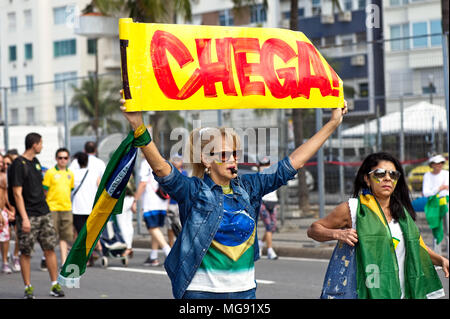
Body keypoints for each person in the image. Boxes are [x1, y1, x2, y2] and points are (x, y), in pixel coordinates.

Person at [120, 91, 347, 299]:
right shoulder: (193, 191)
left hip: (244, 292)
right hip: (201, 292)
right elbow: (161, 169)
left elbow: (293, 163)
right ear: (207, 160)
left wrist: (333, 123)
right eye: (225, 154)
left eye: (235, 153)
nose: (233, 159)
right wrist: (139, 127)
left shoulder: (249, 187)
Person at [307, 152, 449, 299]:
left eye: (393, 175)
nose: (387, 178)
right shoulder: (353, 209)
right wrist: (338, 234)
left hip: (400, 293)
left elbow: (416, 246)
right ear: (367, 179)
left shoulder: (402, 213)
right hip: (364, 292)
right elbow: (313, 229)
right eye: (380, 173)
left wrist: (440, 260)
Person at [8, 133, 65, 298]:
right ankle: (28, 288)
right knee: (26, 252)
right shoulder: (19, 164)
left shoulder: (36, 162)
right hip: (29, 215)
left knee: (49, 248)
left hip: (44, 212)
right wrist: (24, 218)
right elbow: (17, 193)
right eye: (41, 143)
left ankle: (55, 285)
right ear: (34, 144)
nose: (42, 146)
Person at [133, 156, 171, 266]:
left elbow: (143, 183)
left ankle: (168, 252)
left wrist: (135, 200)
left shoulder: (146, 163)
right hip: (163, 200)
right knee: (156, 228)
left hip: (151, 201)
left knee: (152, 228)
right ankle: (153, 256)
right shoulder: (163, 161)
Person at [42, 148, 74, 266]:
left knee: (64, 237)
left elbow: (70, 190)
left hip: (66, 208)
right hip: (52, 208)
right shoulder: (50, 173)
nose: (62, 160)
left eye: (65, 158)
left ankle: (64, 261)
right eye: (60, 158)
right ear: (56, 159)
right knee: (51, 236)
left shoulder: (70, 174)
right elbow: (45, 191)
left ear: (68, 159)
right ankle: (46, 258)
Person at [70, 152, 102, 265]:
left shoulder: (73, 174)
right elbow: (100, 188)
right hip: (91, 208)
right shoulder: (94, 174)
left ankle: (85, 258)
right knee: (92, 232)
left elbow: (70, 189)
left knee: (80, 234)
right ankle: (97, 251)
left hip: (77, 209)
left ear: (77, 162)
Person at [422, 154, 449, 254]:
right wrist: (439, 189)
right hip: (433, 205)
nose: (439, 165)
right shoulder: (427, 175)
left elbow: (446, 190)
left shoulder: (446, 174)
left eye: (441, 163)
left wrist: (436, 191)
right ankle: (438, 257)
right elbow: (426, 193)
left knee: (448, 230)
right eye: (437, 163)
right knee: (436, 229)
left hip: (445, 202)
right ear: (432, 164)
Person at [257, 156, 279, 260]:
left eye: (267, 165)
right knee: (269, 227)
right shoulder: (258, 177)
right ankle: (270, 250)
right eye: (262, 165)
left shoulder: (273, 175)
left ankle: (260, 243)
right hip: (263, 203)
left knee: (273, 227)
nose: (265, 167)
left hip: (273, 202)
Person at [3, 153, 20, 272]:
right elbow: (3, 196)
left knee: (19, 233)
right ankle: (5, 258)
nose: (7, 166)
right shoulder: (2, 176)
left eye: (9, 164)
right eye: (5, 164)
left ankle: (15, 256)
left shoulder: (17, 176)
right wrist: (8, 209)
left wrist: (14, 209)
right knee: (6, 234)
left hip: (16, 208)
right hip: (5, 209)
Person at [166, 154, 186, 247]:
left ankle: (181, 246)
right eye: (175, 160)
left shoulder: (184, 173)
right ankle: (171, 246)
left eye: (178, 160)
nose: (176, 162)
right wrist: (166, 205)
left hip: (181, 203)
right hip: (171, 203)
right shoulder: (170, 173)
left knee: (180, 225)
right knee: (170, 226)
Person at [116, 181, 135, 258]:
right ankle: (129, 246)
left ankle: (127, 247)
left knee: (122, 224)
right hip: (130, 197)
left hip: (121, 198)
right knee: (128, 223)